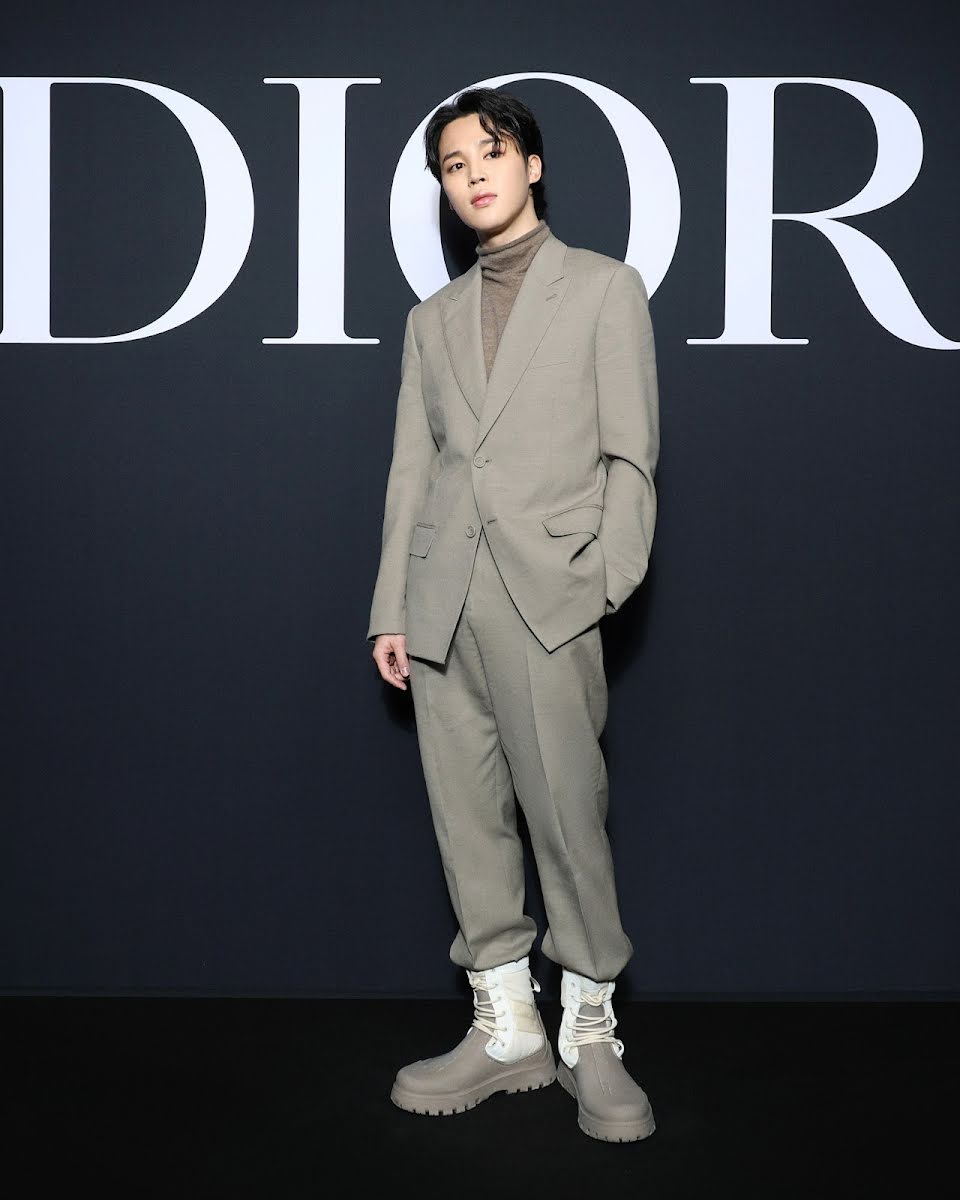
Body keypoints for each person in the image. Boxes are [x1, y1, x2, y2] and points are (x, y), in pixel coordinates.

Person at [367, 87, 660, 1143]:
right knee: (467, 821)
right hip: (441, 599)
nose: (473, 175)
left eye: (490, 153)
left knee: (568, 820)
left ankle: (589, 1032)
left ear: (531, 164)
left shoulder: (604, 288)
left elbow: (632, 455)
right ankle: (507, 1029)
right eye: (454, 165)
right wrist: (392, 607)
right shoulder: (431, 320)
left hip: (549, 598)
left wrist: (601, 582)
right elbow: (413, 469)